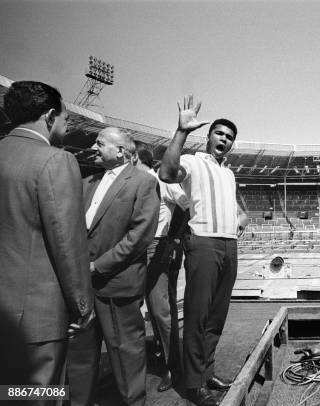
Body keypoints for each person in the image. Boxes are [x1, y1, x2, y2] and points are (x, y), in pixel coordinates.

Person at [0, 81, 93, 398]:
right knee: (34, 397)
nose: (67, 127)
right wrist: (82, 306)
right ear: (50, 116)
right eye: (67, 119)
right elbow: (68, 244)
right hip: (36, 320)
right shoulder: (56, 161)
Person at [159, 96, 248, 406]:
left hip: (229, 245)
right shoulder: (194, 161)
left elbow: (235, 205)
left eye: (229, 137)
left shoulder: (229, 173)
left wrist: (242, 215)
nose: (224, 139)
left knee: (216, 315)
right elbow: (167, 174)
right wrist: (181, 131)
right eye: (219, 133)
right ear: (209, 136)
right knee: (197, 315)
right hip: (204, 243)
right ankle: (193, 384)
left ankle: (206, 372)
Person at [66, 127, 160, 406]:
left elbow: (139, 236)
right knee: (80, 356)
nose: (93, 147)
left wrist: (97, 266)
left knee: (126, 356)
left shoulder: (142, 182)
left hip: (117, 285)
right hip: (82, 287)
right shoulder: (86, 182)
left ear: (121, 151)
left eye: (100, 143)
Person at [132, 143, 190, 392]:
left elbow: (187, 204)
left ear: (134, 157)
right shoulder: (132, 182)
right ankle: (161, 352)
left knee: (160, 310)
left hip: (159, 245)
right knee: (151, 308)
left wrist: (174, 238)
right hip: (138, 248)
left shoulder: (159, 180)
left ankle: (173, 367)